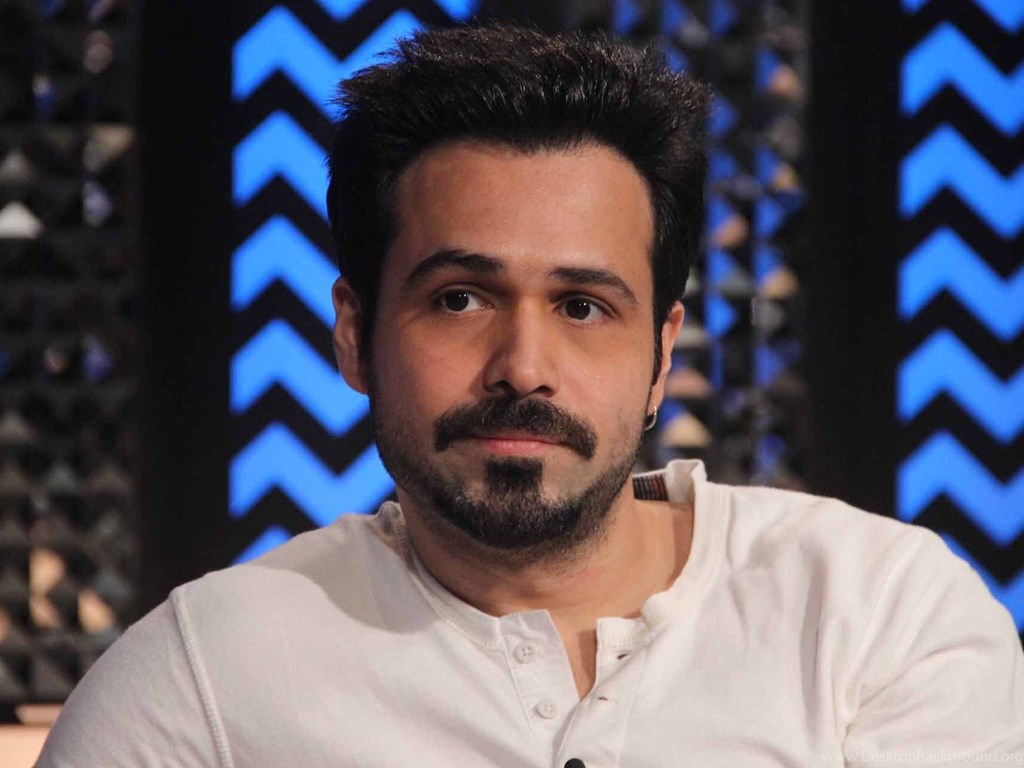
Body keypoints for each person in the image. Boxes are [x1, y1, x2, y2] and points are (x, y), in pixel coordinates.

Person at [38, 24, 1023, 767]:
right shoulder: (201, 680)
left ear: (660, 355)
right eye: (458, 299)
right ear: (353, 335)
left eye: (583, 306)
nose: (522, 366)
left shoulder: (875, 615)